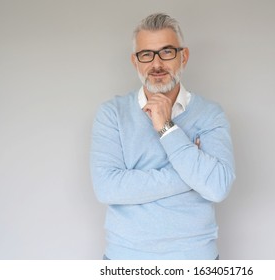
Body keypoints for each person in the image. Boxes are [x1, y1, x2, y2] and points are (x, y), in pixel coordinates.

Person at [90, 13, 235, 260]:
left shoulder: (210, 114)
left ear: (183, 57)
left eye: (167, 52)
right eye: (146, 54)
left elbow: (218, 187)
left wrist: (167, 128)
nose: (156, 64)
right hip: (125, 260)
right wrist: (193, 174)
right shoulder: (112, 113)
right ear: (135, 62)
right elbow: (107, 188)